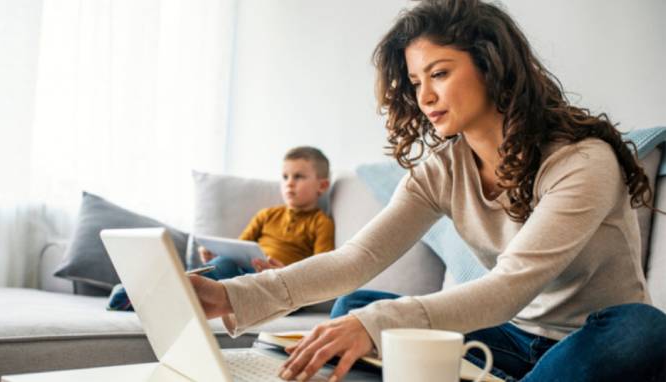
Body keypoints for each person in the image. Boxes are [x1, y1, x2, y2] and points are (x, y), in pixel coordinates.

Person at [188, 1, 666, 381]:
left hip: (595, 338)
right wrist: (231, 295)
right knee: (355, 309)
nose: (425, 97)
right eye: (416, 81)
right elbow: (357, 259)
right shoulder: (442, 170)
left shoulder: (582, 162)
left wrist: (378, 326)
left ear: (491, 66)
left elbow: (509, 286)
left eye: (439, 73)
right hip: (513, 338)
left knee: (644, 331)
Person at [200, 146, 335, 280]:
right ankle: (191, 286)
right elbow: (238, 249)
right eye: (285, 177)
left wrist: (285, 274)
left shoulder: (322, 223)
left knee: (223, 268)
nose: (289, 183)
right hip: (244, 271)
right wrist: (214, 255)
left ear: (322, 186)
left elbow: (321, 271)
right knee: (222, 263)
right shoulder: (267, 215)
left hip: (280, 281)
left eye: (298, 176)